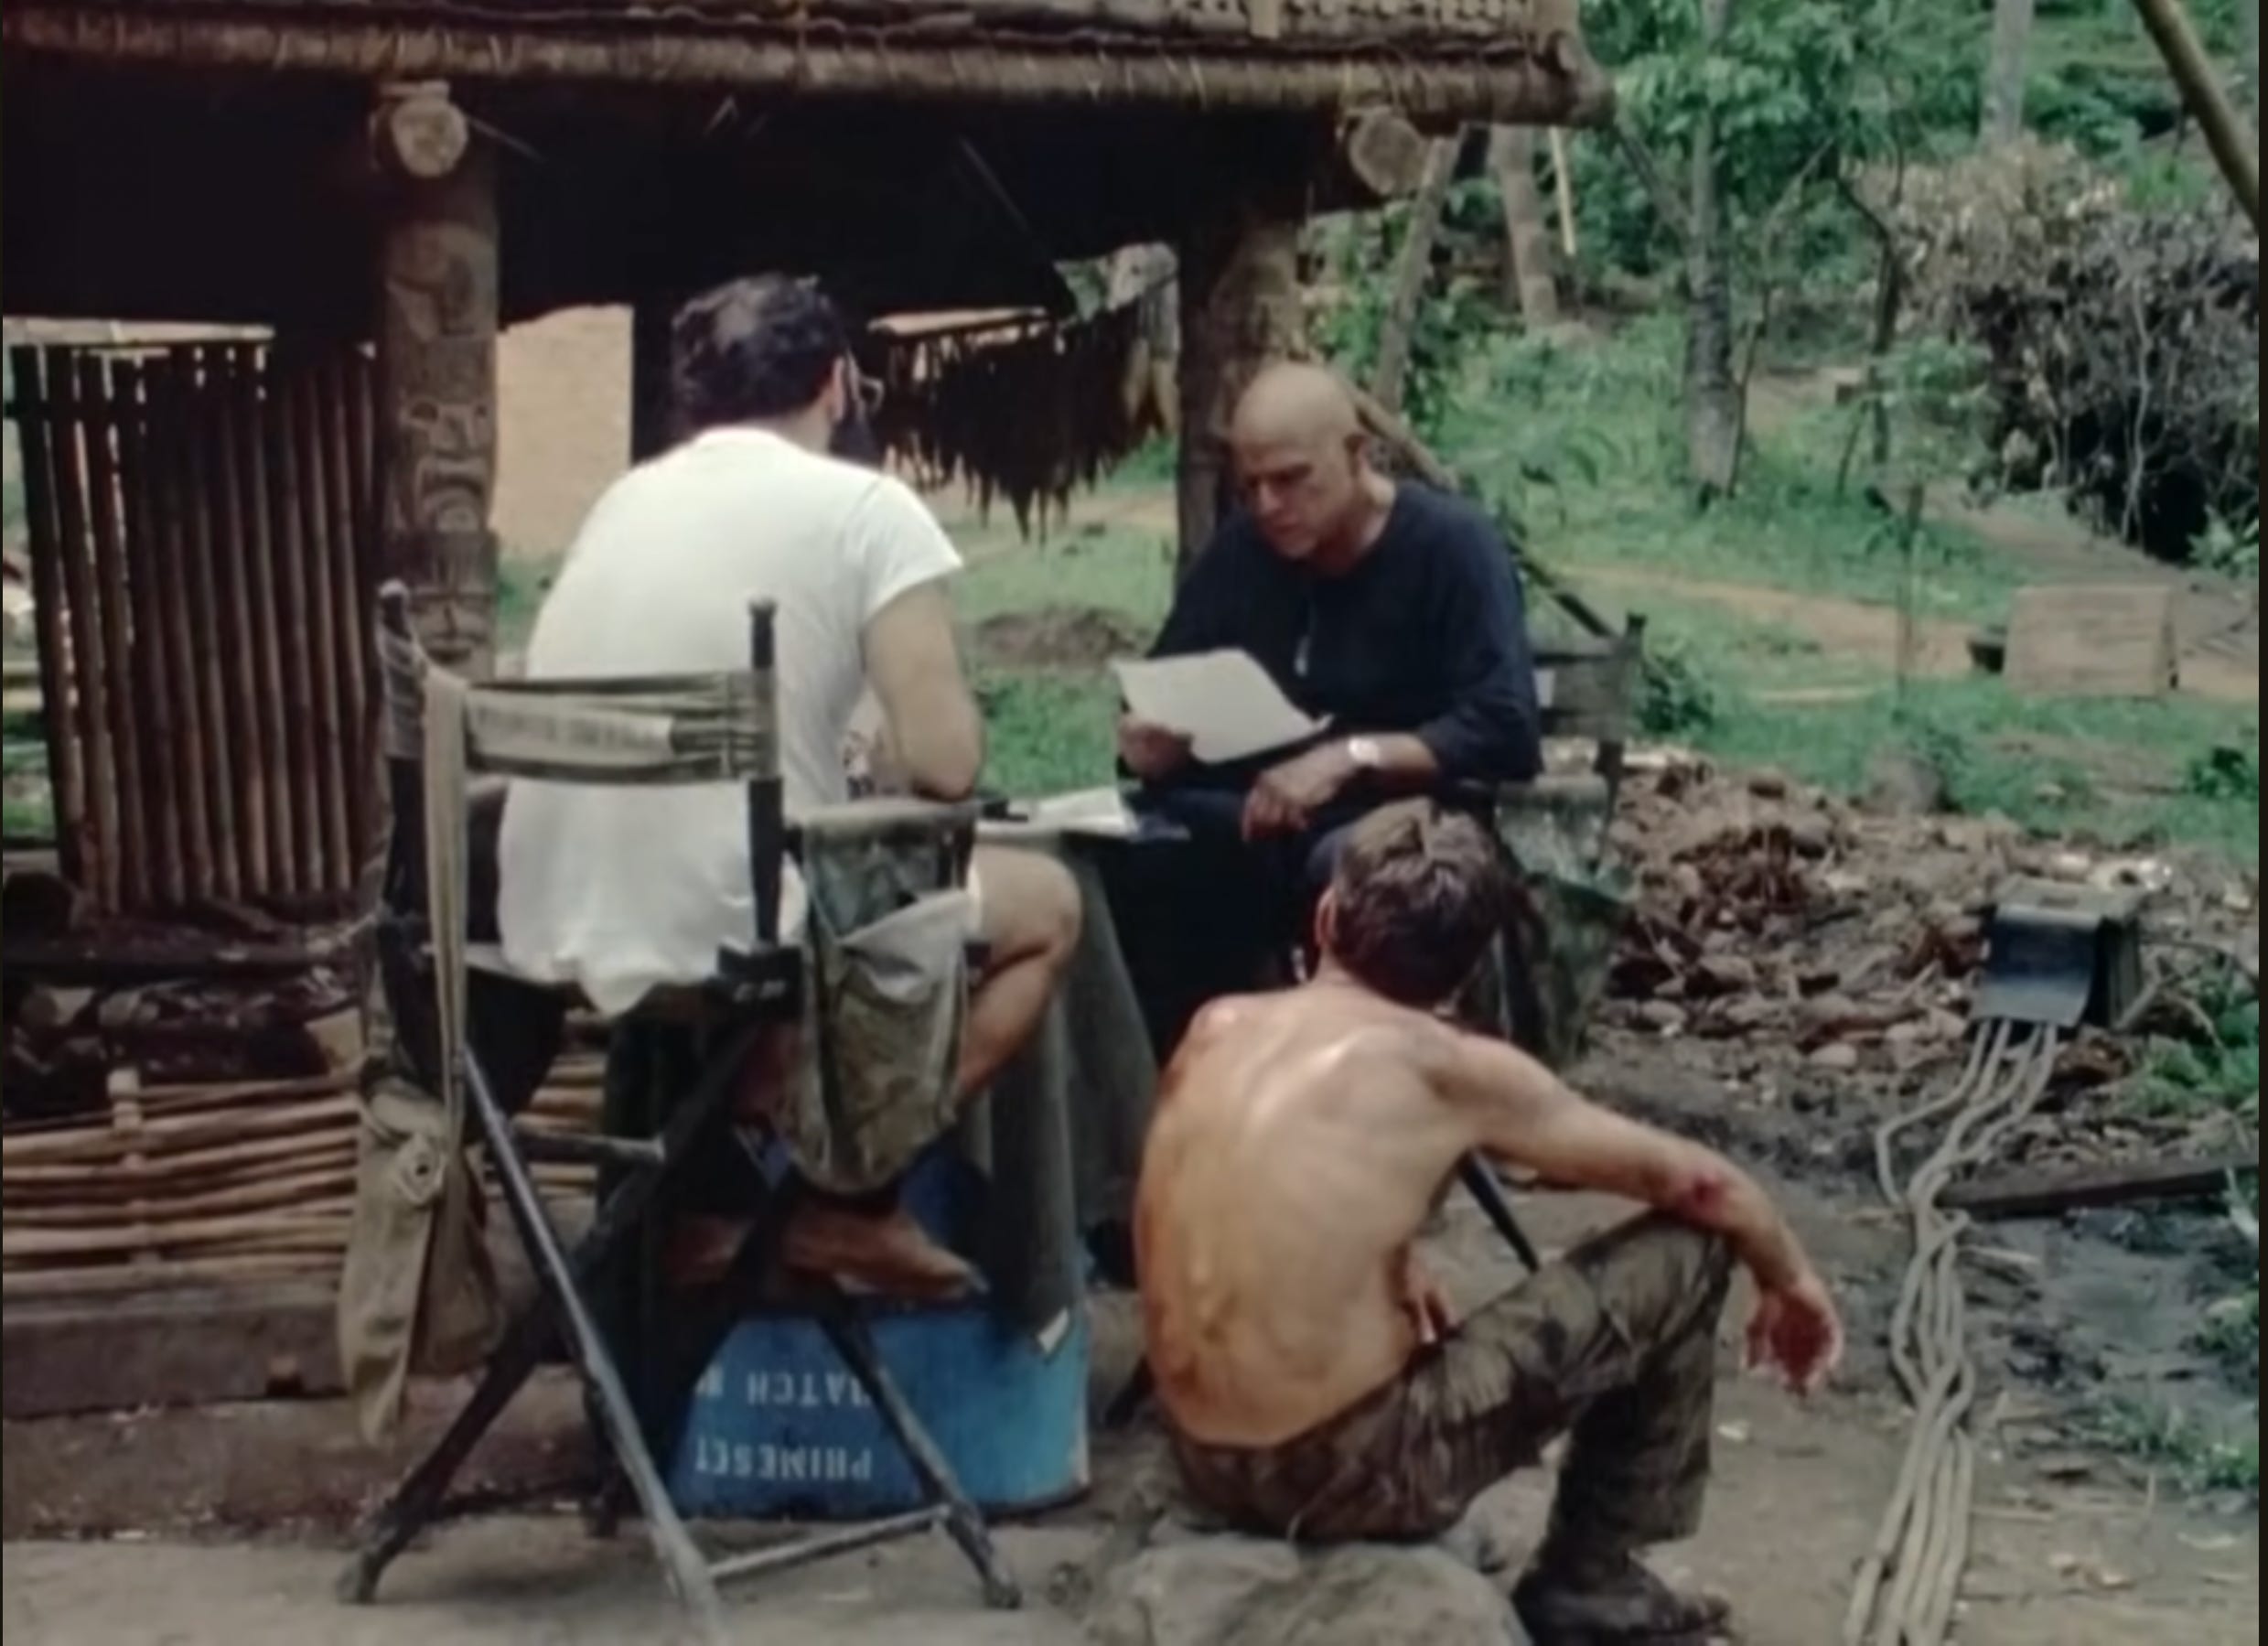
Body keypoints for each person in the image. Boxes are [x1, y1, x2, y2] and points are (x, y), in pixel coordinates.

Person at [499, 274, 1080, 1298]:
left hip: (555, 920)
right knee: (1049, 907)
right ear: (836, 384)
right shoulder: (865, 507)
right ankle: (841, 1195)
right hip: (735, 936)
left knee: (784, 881)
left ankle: (714, 1192)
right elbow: (946, 764)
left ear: (695, 400)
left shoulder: (622, 502)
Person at [1134, 801, 1843, 1642]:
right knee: (1691, 1246)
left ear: (1324, 916)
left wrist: (1388, 1261)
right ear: (1470, 968)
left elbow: (1263, 1196)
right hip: (1342, 1474)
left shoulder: (1216, 1025)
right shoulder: (1444, 1068)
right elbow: (1703, 1185)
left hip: (1197, 1459)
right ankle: (1592, 1574)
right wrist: (1793, 1277)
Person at [1113, 361, 1540, 1038]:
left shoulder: (1451, 547)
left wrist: (1350, 757)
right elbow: (1167, 684)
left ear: (1355, 454)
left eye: (1290, 480)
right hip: (1254, 817)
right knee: (1131, 853)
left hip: (1400, 822)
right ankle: (1174, 1075)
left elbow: (1504, 725)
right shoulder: (1243, 550)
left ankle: (1360, 1079)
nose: (1267, 505)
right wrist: (1151, 742)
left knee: (1356, 877)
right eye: (1250, 486)